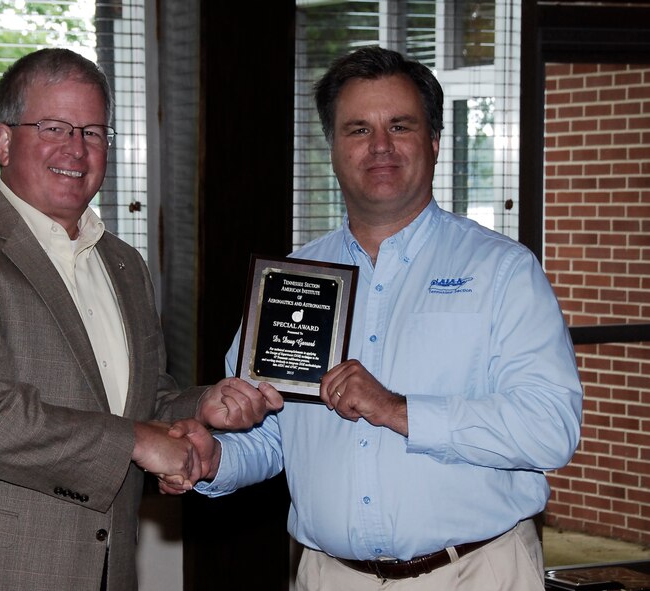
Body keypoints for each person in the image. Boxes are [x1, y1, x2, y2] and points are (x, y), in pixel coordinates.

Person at [166, 46, 583, 591]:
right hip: (329, 577)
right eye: (358, 129)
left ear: (434, 143)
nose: (380, 146)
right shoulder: (290, 282)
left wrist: (396, 409)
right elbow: (274, 439)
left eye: (400, 126)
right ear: (334, 150)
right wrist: (213, 458)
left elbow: (549, 430)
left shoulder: (502, 271)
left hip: (477, 573)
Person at [0, 48, 281, 591]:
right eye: (54, 127)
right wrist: (140, 442)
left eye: (93, 132)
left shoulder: (124, 264)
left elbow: (140, 402)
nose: (76, 148)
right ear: (3, 141)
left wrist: (203, 405)